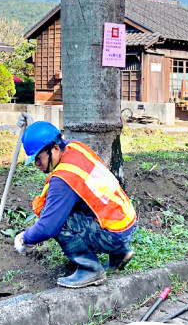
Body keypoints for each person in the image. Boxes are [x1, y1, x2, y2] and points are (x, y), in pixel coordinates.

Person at [13, 114, 137, 288]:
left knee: (57, 221)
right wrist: (34, 130)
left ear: (54, 148)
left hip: (115, 235)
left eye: (38, 159)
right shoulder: (76, 147)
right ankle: (119, 254)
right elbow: (50, 138)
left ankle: (90, 270)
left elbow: (48, 227)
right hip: (125, 221)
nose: (37, 164)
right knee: (69, 210)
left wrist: (24, 238)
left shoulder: (63, 179)